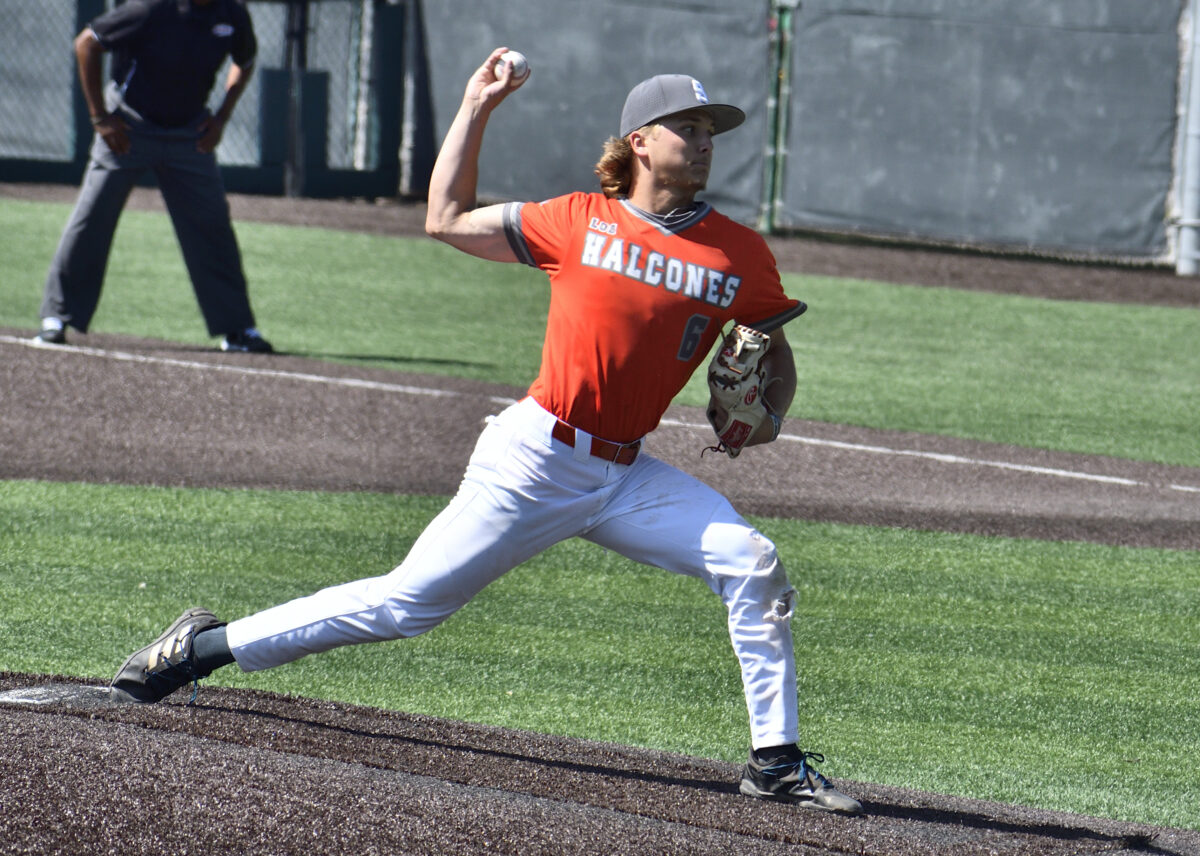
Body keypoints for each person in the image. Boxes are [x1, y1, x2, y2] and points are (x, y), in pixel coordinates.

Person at [109, 48, 862, 815]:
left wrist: (769, 416)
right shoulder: (576, 221)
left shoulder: (738, 252)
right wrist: (477, 105)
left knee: (752, 563)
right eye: (688, 127)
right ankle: (202, 648)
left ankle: (774, 761)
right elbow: (444, 219)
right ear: (639, 140)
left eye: (711, 130)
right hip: (534, 460)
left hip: (628, 477)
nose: (705, 142)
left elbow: (773, 349)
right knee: (406, 605)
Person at [34, 0, 272, 353]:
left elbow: (245, 61)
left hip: (190, 133)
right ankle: (57, 318)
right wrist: (100, 117)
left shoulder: (232, 13)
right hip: (129, 127)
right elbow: (86, 43)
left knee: (212, 226)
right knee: (92, 216)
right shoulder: (150, 8)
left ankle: (238, 330)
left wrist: (221, 118)